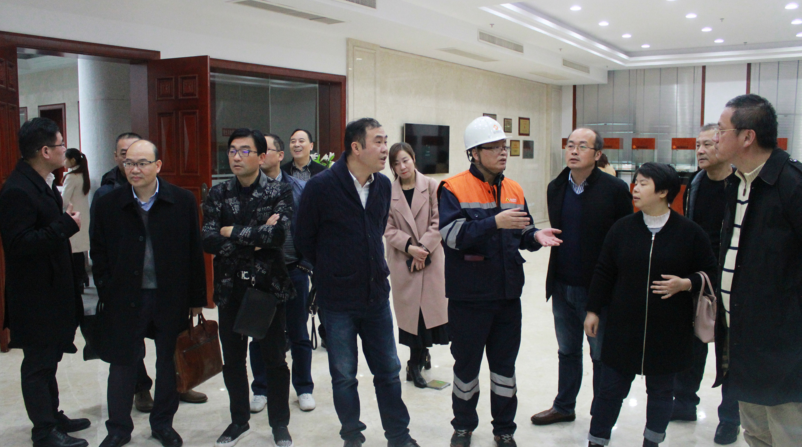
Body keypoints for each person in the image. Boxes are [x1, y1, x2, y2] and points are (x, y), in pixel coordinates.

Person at [295, 118, 420, 447]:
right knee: (344, 376)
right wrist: (333, 270)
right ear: (356, 147)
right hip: (337, 301)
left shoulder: (383, 186)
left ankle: (399, 436)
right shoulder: (321, 187)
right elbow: (304, 238)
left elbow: (376, 230)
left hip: (376, 296)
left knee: (389, 372)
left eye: (385, 140)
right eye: (378, 141)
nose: (385, 149)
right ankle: (352, 436)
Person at [439, 116, 562, 447]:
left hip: (507, 297)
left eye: (503, 147)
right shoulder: (452, 188)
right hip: (469, 298)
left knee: (505, 369)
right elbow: (451, 236)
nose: (502, 153)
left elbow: (522, 230)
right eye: (493, 148)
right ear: (474, 153)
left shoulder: (514, 189)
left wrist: (536, 235)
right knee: (466, 368)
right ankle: (463, 426)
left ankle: (504, 429)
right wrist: (494, 222)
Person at [583, 162, 718, 447]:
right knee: (609, 390)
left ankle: (652, 442)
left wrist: (686, 283)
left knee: (661, 392)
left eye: (643, 183)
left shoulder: (690, 233)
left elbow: (710, 272)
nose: (635, 188)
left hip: (668, 330)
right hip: (623, 327)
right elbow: (604, 270)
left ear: (663, 192)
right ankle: (597, 440)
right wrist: (593, 310)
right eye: (636, 182)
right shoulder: (622, 229)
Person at [91, 139, 207, 447]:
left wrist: (197, 299)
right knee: (122, 363)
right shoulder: (108, 203)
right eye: (129, 163)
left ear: (158, 165)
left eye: (142, 163)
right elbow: (98, 251)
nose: (134, 169)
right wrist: (107, 288)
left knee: (168, 363)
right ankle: (118, 429)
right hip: (125, 297)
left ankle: (163, 424)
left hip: (170, 296)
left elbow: (194, 251)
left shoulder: (181, 200)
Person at [713, 94, 802, 446]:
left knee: (788, 433)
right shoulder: (737, 182)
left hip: (784, 348)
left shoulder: (791, 184)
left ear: (747, 136)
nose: (714, 138)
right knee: (756, 433)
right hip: (743, 339)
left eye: (721, 130)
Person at [530, 128, 632, 426]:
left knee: (600, 355)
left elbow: (624, 241)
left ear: (597, 154)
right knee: (567, 351)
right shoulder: (556, 187)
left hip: (598, 289)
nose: (574, 151)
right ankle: (564, 406)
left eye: (582, 146)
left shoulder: (614, 189)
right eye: (570, 145)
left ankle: (601, 413)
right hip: (562, 284)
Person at [202, 128, 295, 447]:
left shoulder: (279, 191)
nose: (236, 157)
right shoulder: (218, 193)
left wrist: (231, 231)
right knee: (233, 360)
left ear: (261, 156)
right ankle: (239, 420)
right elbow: (208, 239)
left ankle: (279, 423)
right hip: (230, 288)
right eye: (232, 151)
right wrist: (254, 238)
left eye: (245, 151)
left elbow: (277, 236)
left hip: (267, 286)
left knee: (275, 360)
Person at [0, 117, 89, 447]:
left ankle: (52, 416)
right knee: (38, 364)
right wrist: (65, 226)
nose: (66, 149)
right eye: (61, 144)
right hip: (34, 296)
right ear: (45, 151)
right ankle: (44, 431)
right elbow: (19, 243)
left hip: (51, 291)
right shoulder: (17, 190)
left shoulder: (41, 181)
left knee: (49, 360)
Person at [672, 124, 740, 445]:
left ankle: (730, 418)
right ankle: (685, 403)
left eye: (708, 145)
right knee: (692, 342)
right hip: (699, 276)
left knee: (730, 350)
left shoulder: (740, 186)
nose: (700, 150)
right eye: (697, 145)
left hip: (733, 277)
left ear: (725, 145)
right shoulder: (696, 183)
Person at [249, 132, 316, 414]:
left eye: (266, 149)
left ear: (279, 155)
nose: (261, 154)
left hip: (293, 270)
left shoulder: (298, 188)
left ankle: (304, 387)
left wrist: (305, 264)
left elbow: (311, 228)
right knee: (258, 332)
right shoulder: (248, 189)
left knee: (299, 332)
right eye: (258, 150)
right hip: (261, 272)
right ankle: (261, 388)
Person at [384, 142, 448, 389]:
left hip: (429, 260)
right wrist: (410, 248)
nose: (402, 167)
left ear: (413, 159)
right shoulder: (389, 192)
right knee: (413, 318)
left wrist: (423, 249)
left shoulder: (432, 186)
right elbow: (387, 227)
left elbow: (439, 221)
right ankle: (413, 364)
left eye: (405, 160)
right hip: (404, 260)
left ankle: (421, 357)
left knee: (428, 315)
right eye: (396, 163)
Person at [281, 128, 329, 347]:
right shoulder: (282, 172)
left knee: (323, 287)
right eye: (293, 141)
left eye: (301, 141)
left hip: (319, 239)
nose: (297, 145)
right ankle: (288, 332)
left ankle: (326, 332)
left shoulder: (323, 173)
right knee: (292, 291)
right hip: (292, 240)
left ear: (311, 146)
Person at [62, 148, 91, 293]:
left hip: (73, 216)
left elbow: (64, 200)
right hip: (83, 215)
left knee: (74, 251)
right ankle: (83, 277)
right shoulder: (83, 174)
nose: (64, 161)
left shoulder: (71, 177)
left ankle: (78, 282)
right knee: (80, 250)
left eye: (65, 158)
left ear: (72, 160)